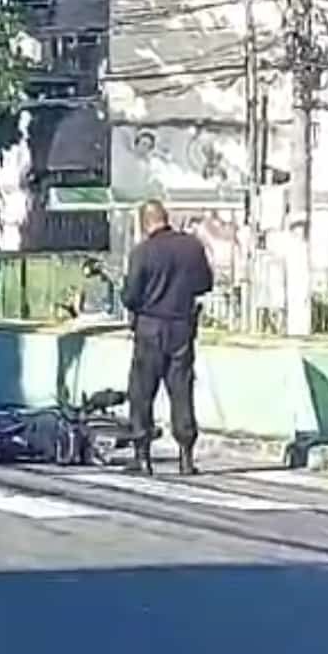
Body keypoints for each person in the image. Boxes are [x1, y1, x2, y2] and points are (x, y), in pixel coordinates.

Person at [120, 200, 214, 475]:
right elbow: (205, 284)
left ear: (144, 223)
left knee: (142, 391)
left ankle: (142, 456)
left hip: (149, 328)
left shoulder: (142, 252)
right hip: (182, 327)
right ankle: (186, 457)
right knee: (181, 389)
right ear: (166, 217)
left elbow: (130, 296)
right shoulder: (192, 247)